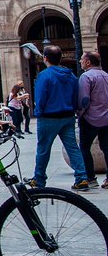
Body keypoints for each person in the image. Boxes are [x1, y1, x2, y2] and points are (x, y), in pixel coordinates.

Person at [29, 45, 91, 190]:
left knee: (43, 149)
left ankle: (39, 179)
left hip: (48, 117)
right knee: (73, 148)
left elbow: (41, 98)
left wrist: (39, 113)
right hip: (68, 116)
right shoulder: (71, 76)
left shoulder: (44, 75)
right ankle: (82, 178)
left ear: (45, 58)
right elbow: (76, 96)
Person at [79, 52, 108, 188]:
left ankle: (90, 178)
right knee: (107, 148)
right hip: (107, 118)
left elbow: (84, 100)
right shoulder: (106, 75)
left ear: (88, 62)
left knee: (84, 147)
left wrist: (80, 114)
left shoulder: (86, 77)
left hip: (90, 118)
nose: (80, 62)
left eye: (81, 60)